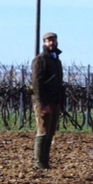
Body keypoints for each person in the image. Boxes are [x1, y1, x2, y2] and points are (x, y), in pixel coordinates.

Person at [31, 32, 64, 169]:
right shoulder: (40, 60)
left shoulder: (56, 61)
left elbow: (59, 83)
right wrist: (42, 104)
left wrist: (61, 102)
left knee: (50, 133)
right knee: (43, 131)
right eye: (49, 41)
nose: (52, 43)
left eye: (53, 40)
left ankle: (45, 162)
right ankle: (38, 163)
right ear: (44, 43)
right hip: (44, 102)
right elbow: (36, 84)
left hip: (55, 101)